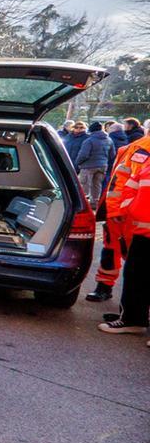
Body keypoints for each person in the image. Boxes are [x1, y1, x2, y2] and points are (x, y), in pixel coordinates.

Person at [97, 131, 150, 342]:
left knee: (137, 272)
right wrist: (120, 210)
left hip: (139, 224)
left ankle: (133, 317)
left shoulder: (141, 147)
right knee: (135, 273)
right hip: (140, 226)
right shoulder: (139, 147)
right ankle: (132, 317)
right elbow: (128, 183)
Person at [75, 120, 116, 207]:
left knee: (84, 185)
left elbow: (83, 155)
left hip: (88, 166)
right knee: (97, 185)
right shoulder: (109, 140)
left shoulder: (89, 140)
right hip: (102, 166)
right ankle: (94, 203)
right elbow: (112, 154)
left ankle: (83, 204)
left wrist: (77, 163)